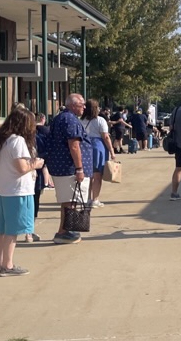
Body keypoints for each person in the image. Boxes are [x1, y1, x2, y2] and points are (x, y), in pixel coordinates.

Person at [0, 106, 43, 276]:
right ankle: (8, 265)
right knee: (13, 231)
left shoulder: (0, 139)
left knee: (2, 230)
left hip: (3, 189)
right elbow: (21, 167)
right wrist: (37, 163)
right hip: (18, 191)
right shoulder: (18, 141)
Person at [44, 94, 91, 244]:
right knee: (70, 201)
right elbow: (74, 145)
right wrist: (79, 168)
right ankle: (64, 231)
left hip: (62, 166)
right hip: (69, 168)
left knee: (68, 200)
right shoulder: (70, 120)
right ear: (72, 105)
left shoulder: (61, 118)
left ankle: (65, 230)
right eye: (81, 104)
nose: (84, 107)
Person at [83, 98, 116, 208]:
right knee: (97, 175)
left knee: (88, 175)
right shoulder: (100, 120)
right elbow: (106, 137)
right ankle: (95, 199)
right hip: (98, 146)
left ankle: (87, 199)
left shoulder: (80, 120)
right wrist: (112, 151)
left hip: (85, 147)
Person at [27, 112, 50, 243]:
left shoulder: (10, 137)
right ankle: (29, 231)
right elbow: (46, 152)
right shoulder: (41, 135)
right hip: (34, 172)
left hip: (26, 174)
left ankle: (2, 230)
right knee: (34, 201)